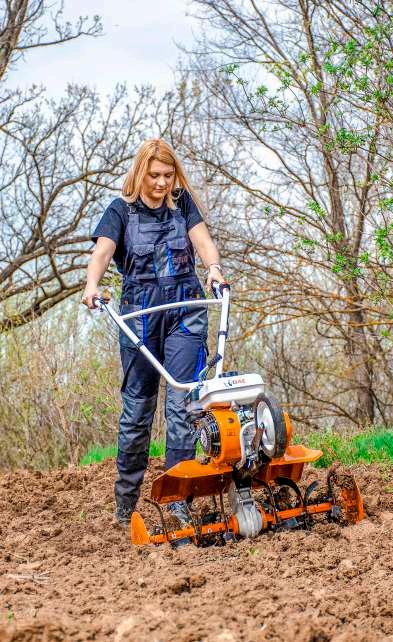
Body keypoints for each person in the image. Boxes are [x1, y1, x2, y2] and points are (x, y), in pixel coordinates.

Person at [82, 139, 225, 525]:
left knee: (182, 406)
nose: (162, 183)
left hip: (185, 312)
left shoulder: (183, 204)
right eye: (155, 175)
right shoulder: (120, 211)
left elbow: (203, 242)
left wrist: (213, 268)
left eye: (168, 175)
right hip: (140, 319)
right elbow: (102, 251)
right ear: (140, 173)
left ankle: (178, 502)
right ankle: (125, 504)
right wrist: (92, 284)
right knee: (137, 412)